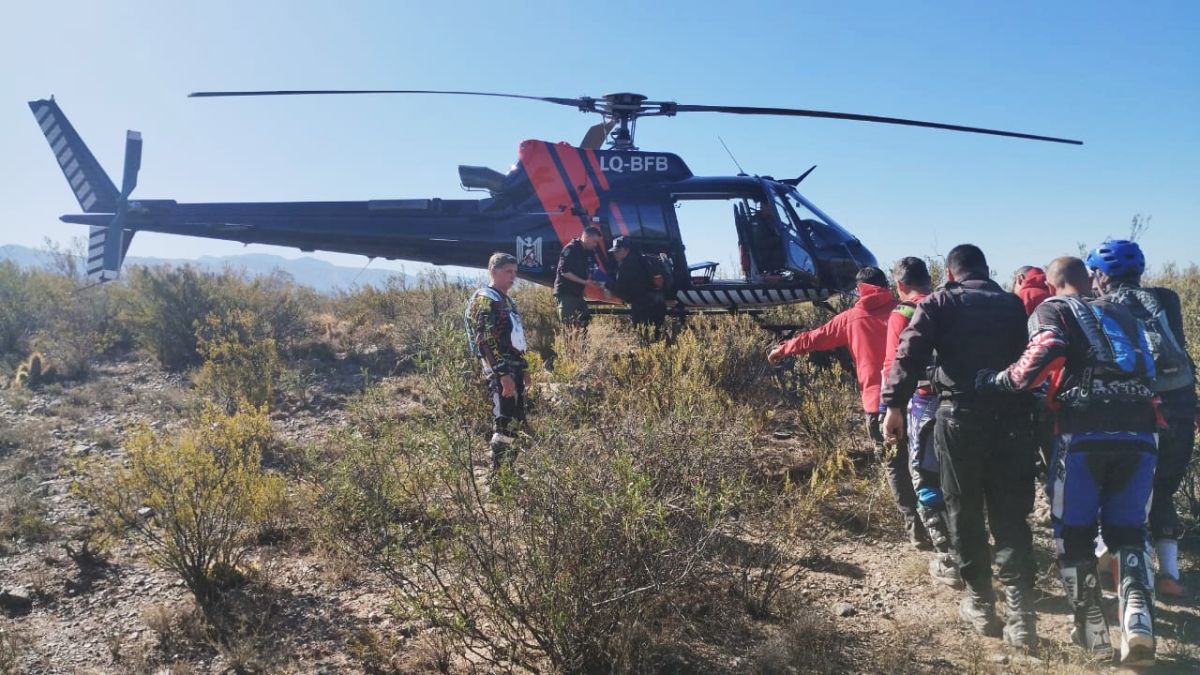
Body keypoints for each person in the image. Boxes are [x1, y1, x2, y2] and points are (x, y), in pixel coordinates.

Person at [977, 256, 1158, 664]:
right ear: (1090, 278)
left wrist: (1002, 381)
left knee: (1073, 531)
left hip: (1082, 433)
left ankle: (1092, 632)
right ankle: (1139, 623)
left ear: (1056, 282)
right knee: (1129, 529)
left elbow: (1048, 347)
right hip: (1142, 432)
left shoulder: (1053, 308)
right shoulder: (1125, 311)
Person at [881, 244, 1038, 648]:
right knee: (1010, 515)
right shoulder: (1011, 304)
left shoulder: (939, 302)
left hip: (960, 418)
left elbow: (909, 352)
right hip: (1012, 418)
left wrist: (894, 406)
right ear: (986, 270)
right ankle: (1021, 616)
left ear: (950, 273)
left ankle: (982, 604)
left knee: (963, 508)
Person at [767, 267, 918, 543]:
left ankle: (916, 530)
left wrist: (783, 348)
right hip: (917, 401)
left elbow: (814, 337)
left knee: (895, 465)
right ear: (887, 285)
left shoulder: (850, 318)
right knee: (925, 464)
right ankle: (940, 527)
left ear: (858, 290)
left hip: (878, 405)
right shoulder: (906, 311)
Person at [1088, 238, 1197, 599]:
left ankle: (1121, 566)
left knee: (1122, 490)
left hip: (1136, 412)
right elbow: (1182, 352)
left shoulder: (1097, 306)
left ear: (1101, 276)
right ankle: (1169, 574)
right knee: (1163, 489)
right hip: (1179, 408)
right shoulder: (1167, 299)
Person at [882, 257, 960, 584]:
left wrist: (892, 407)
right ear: (929, 278)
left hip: (923, 404)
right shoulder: (949, 304)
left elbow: (895, 363)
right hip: (960, 401)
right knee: (956, 475)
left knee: (924, 475)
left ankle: (946, 554)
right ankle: (966, 544)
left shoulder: (902, 314)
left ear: (899, 285)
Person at [465, 252, 531, 485]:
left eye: (515, 272)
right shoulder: (485, 299)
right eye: (508, 272)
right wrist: (502, 373)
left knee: (515, 421)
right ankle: (498, 480)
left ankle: (508, 472)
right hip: (499, 371)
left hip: (514, 368)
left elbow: (515, 338)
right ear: (493, 271)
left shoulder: (508, 301)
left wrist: (524, 368)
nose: (513, 277)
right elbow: (484, 340)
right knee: (504, 422)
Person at [606, 236, 667, 335]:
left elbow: (621, 289)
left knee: (643, 335)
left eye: (617, 251)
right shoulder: (642, 259)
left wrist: (607, 285)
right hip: (658, 302)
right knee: (657, 335)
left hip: (642, 307)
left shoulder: (626, 266)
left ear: (626, 250)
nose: (615, 254)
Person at [553, 226, 605, 328]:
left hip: (577, 293)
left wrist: (604, 283)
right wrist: (585, 282)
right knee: (568, 325)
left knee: (585, 319)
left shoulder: (589, 251)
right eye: (594, 241)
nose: (595, 245)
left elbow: (594, 268)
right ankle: (570, 344)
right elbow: (565, 272)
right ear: (586, 237)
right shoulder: (571, 249)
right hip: (566, 292)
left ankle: (582, 343)